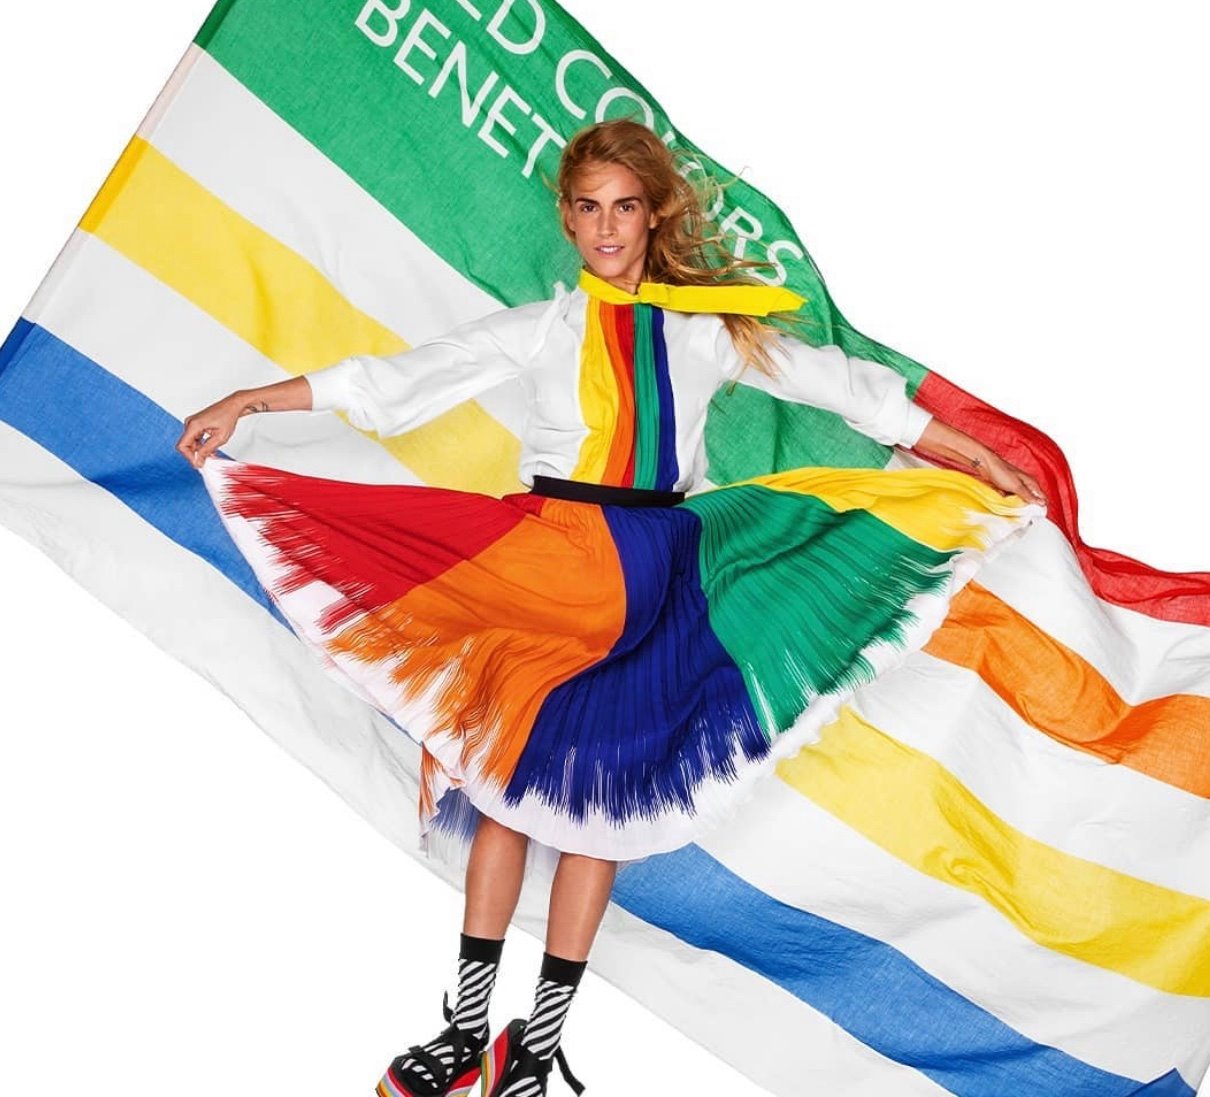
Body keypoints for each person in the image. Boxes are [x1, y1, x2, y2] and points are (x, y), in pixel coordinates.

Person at [175, 118, 1046, 1097]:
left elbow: (850, 391)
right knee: (503, 792)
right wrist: (250, 399)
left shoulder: (709, 332)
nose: (604, 227)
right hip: (544, 569)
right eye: (587, 207)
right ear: (566, 215)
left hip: (652, 582)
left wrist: (976, 457)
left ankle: (534, 1047)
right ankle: (464, 1031)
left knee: (596, 811)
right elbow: (400, 382)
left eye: (623, 207)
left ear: (654, 214)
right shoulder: (544, 327)